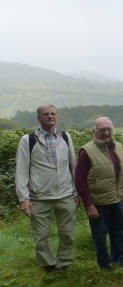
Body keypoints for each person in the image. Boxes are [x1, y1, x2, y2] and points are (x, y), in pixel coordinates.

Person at [15, 104, 79, 272]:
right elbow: (21, 170)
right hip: (39, 197)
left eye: (52, 113)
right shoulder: (28, 140)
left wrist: (76, 192)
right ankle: (48, 264)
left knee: (67, 233)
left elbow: (73, 166)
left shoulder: (65, 137)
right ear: (38, 118)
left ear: (57, 116)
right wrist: (23, 198)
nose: (50, 116)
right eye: (45, 114)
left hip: (65, 194)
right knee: (41, 236)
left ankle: (64, 262)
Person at [75, 117, 123, 271]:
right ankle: (104, 265)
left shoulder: (119, 146)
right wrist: (89, 205)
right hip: (98, 202)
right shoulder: (86, 151)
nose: (106, 133)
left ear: (113, 130)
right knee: (100, 235)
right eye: (102, 130)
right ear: (95, 131)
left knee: (120, 232)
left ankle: (120, 261)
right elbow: (80, 180)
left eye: (109, 129)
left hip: (117, 199)